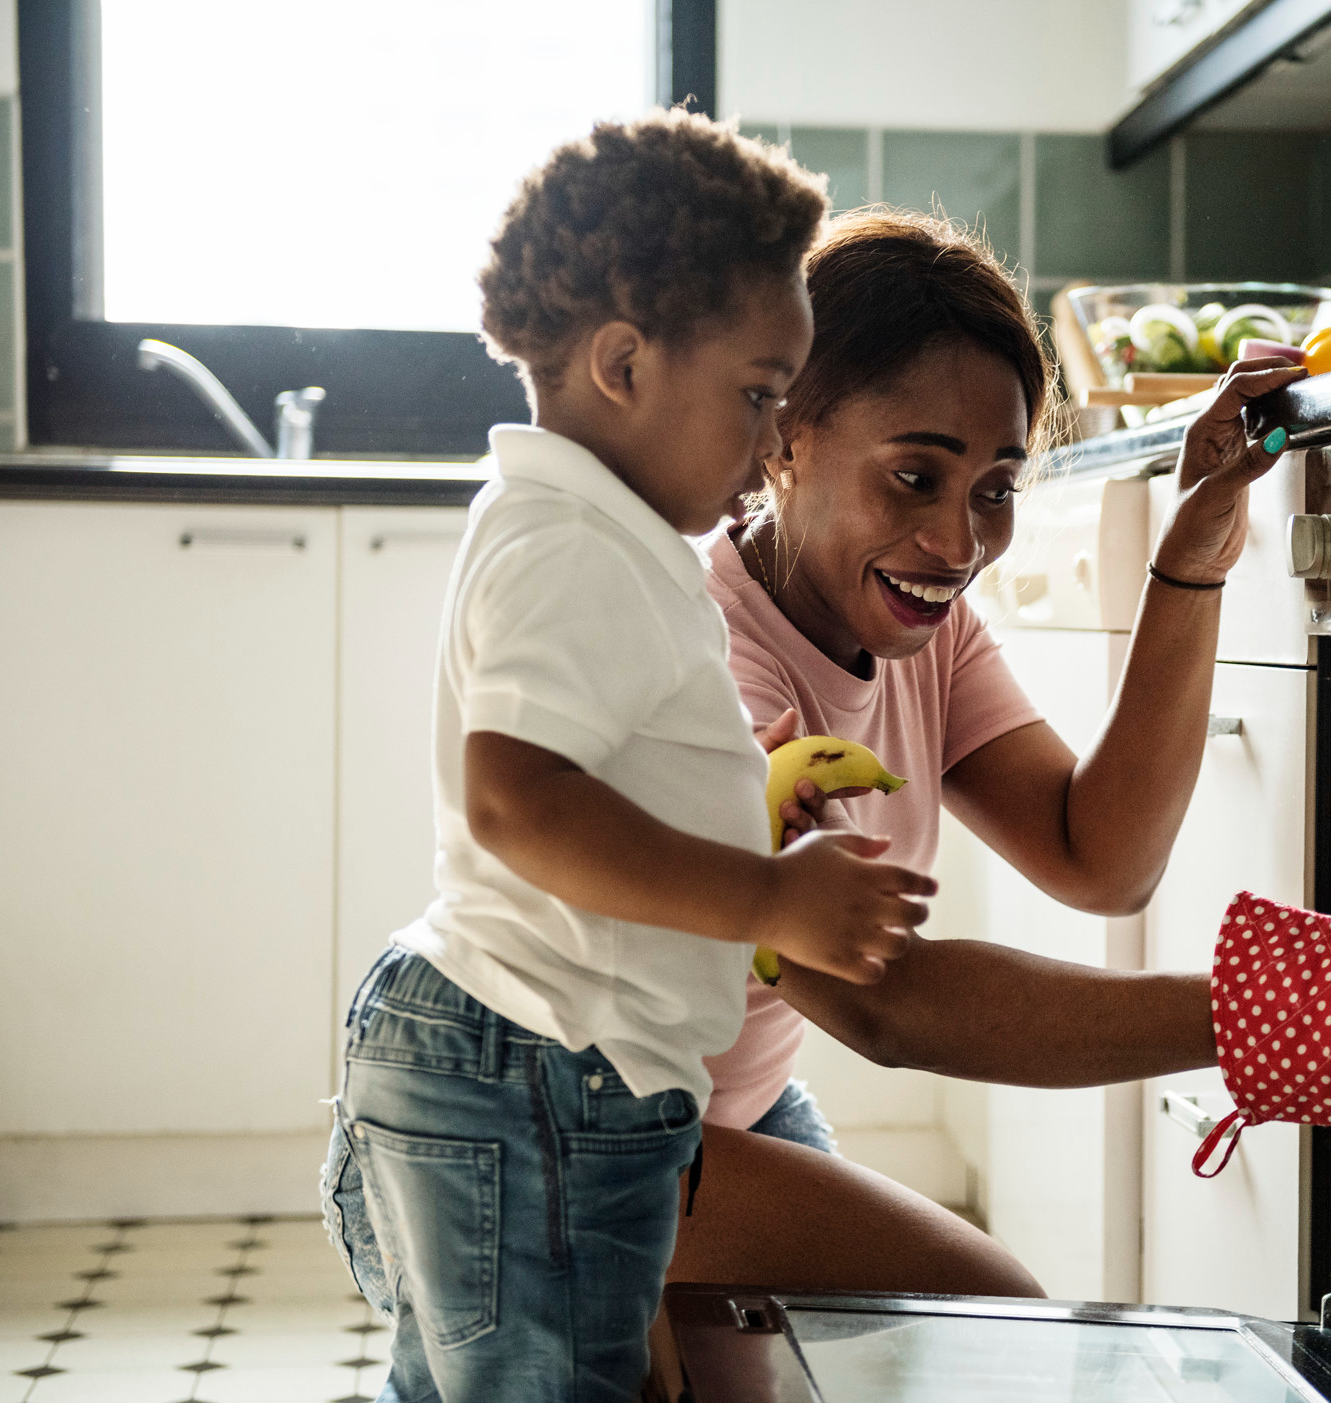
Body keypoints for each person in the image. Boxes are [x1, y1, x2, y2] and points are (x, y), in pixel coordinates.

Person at [320, 114, 938, 1403]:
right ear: (622, 363)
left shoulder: (592, 532)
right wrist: (767, 897)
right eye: (758, 394)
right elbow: (518, 799)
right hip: (538, 1062)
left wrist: (751, 804)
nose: (772, 439)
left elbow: (604, 768)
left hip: (538, 1058)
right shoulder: (574, 544)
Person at [663, 208, 1307, 1300]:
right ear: (781, 437)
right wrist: (1277, 1012)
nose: (959, 545)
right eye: (914, 477)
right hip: (551, 1124)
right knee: (989, 1309)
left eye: (994, 489)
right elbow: (885, 1004)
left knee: (914, 1341)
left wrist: (1192, 552)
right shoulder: (708, 662)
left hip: (729, 1108)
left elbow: (1100, 857)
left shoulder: (923, 630)